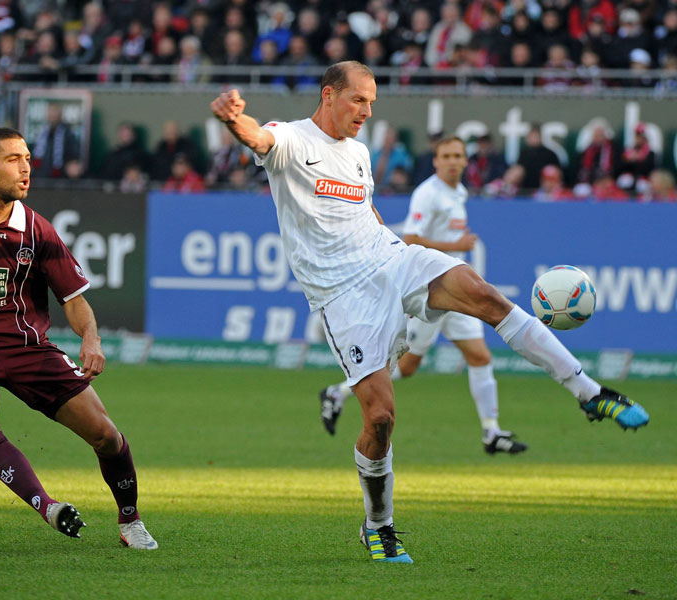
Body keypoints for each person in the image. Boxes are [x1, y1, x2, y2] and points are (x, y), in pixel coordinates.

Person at [210, 61, 649, 565]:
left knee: (486, 295)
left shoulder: (357, 153)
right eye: (358, 100)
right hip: (342, 296)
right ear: (328, 95)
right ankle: (378, 526)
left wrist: (391, 241)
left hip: (391, 257)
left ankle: (589, 392)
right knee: (380, 419)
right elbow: (256, 140)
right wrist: (233, 120)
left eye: (372, 102)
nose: (367, 111)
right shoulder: (289, 139)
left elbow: (365, 210)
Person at [0, 128, 157, 551]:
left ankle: (130, 521)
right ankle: (48, 506)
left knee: (106, 435)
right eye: (14, 159)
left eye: (28, 159)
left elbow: (73, 299)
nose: (25, 169)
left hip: (28, 349)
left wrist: (90, 337)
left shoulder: (37, 228)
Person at [319, 136, 527, 455]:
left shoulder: (457, 192)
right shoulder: (427, 194)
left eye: (459, 155)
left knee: (480, 357)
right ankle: (338, 392)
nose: (454, 161)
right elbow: (412, 238)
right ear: (436, 160)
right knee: (403, 365)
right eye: (447, 155)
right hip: (429, 290)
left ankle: (491, 432)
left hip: (456, 289)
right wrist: (454, 248)